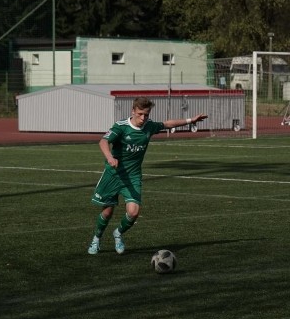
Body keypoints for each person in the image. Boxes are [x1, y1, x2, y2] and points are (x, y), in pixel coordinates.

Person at [87, 96, 207, 255]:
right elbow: (103, 141)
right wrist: (110, 157)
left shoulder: (149, 126)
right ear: (133, 111)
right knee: (107, 212)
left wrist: (191, 120)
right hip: (113, 175)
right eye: (140, 114)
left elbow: (167, 124)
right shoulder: (121, 127)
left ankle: (118, 233)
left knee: (134, 212)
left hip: (133, 176)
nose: (143, 118)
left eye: (146, 115)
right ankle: (96, 239)